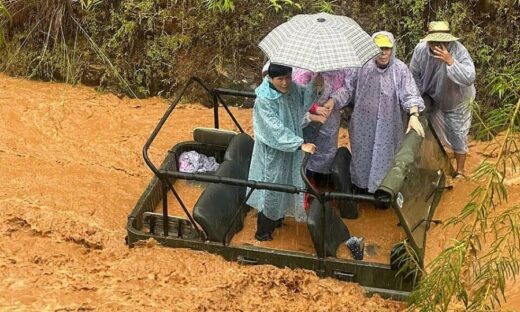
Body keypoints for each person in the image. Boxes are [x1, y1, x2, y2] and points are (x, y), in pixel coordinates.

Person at [348, 31, 425, 196]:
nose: (383, 53)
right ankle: (361, 188)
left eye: (387, 48)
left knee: (387, 157)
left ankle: (384, 192)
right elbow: (347, 89)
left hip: (389, 125)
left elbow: (410, 94)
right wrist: (331, 102)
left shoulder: (400, 70)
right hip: (363, 124)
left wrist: (414, 115)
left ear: (392, 49)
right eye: (379, 48)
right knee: (363, 154)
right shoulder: (361, 67)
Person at [247, 63, 317, 241]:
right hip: (273, 154)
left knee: (287, 185)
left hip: (290, 149)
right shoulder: (264, 100)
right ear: (270, 78)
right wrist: (299, 144)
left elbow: (304, 99)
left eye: (288, 77)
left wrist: (316, 83)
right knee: (271, 188)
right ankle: (263, 233)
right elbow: (273, 130)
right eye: (280, 79)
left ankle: (278, 219)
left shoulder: (291, 89)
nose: (285, 83)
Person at [409, 21, 476, 178]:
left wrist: (450, 61)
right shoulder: (420, 51)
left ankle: (460, 171)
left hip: (458, 100)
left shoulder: (458, 50)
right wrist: (416, 100)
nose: (438, 45)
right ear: (429, 40)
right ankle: (438, 165)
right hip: (434, 98)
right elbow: (414, 76)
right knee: (431, 132)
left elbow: (469, 77)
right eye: (435, 41)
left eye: (442, 41)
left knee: (458, 134)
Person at [292, 69, 352, 207]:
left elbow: (348, 88)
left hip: (330, 117)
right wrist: (314, 109)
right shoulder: (303, 71)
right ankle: (307, 184)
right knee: (307, 152)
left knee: (327, 150)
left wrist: (333, 100)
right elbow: (297, 93)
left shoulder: (342, 70)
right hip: (306, 118)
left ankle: (324, 183)